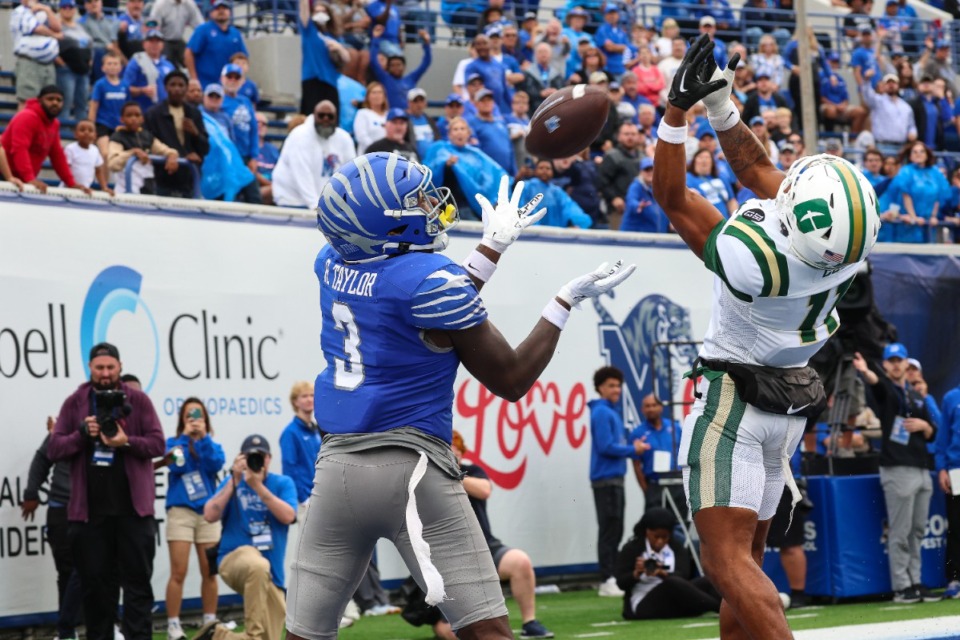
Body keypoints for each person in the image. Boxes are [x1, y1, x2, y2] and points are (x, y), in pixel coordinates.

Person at [283, 156, 635, 640]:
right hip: (411, 469)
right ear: (385, 221)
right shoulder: (430, 281)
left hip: (336, 470)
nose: (431, 206)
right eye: (417, 201)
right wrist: (563, 301)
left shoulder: (331, 264)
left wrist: (491, 248)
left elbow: (414, 303)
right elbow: (510, 379)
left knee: (304, 635)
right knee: (486, 631)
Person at [651, 35, 881, 639]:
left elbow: (672, 197)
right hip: (786, 405)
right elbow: (758, 172)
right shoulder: (844, 248)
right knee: (747, 566)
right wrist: (722, 107)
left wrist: (676, 114)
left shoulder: (758, 260)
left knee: (726, 562)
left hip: (732, 398)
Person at [47, 342, 166, 640]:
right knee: (96, 593)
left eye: (110, 367)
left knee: (138, 589)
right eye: (99, 367)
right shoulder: (75, 402)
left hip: (133, 514)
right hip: (89, 517)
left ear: (120, 367)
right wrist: (82, 434)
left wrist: (125, 441)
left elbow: (157, 444)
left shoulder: (138, 401)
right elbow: (55, 448)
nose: (105, 373)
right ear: (90, 368)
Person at [419, 430, 554, 639]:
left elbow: (484, 490)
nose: (451, 455)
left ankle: (530, 622)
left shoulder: (471, 471)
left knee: (520, 562)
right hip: (446, 555)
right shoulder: (426, 478)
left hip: (483, 546)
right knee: (449, 631)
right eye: (445, 452)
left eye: (455, 452)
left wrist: (451, 472)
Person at [852, 345, 939, 604]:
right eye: (892, 361)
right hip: (898, 468)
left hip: (922, 468)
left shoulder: (915, 395)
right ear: (886, 365)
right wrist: (866, 372)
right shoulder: (887, 391)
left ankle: (915, 581)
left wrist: (925, 426)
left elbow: (933, 431)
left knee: (918, 530)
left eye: (900, 360)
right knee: (901, 531)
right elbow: (876, 384)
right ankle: (902, 587)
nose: (897, 365)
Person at [199, 435, 297, 640]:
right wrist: (234, 481)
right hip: (233, 558)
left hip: (272, 576)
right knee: (257, 564)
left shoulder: (282, 483)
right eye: (251, 456)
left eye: (261, 455)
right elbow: (209, 515)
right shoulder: (231, 482)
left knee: (268, 638)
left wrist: (258, 487)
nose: (257, 460)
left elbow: (289, 516)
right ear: (240, 458)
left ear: (269, 458)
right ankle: (252, 634)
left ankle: (216, 636)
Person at [160, 399, 225, 640]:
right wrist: (185, 438)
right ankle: (173, 625)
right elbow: (177, 466)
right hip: (181, 512)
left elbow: (214, 464)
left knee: (210, 571)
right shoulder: (172, 443)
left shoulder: (212, 444)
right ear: (182, 420)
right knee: (179, 571)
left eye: (197, 416)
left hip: (207, 513)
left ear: (206, 419)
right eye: (189, 416)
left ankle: (210, 621)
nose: (194, 420)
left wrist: (203, 438)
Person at [590, 366, 650, 598]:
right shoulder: (603, 413)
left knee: (614, 530)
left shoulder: (609, 412)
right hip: (606, 480)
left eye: (618, 385)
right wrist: (633, 449)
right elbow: (606, 447)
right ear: (600, 388)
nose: (616, 390)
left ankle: (610, 577)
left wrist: (633, 448)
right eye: (611, 385)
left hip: (612, 479)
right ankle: (607, 579)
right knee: (609, 531)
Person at [22, 417, 82, 640]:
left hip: (93, 510)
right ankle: (67, 631)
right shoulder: (64, 428)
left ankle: (107, 624)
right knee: (66, 571)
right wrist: (31, 492)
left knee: (100, 571)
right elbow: (41, 460)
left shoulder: (106, 428)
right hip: (61, 508)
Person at [614, 508, 721, 620]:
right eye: (656, 537)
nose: (660, 541)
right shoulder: (632, 549)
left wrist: (662, 573)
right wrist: (636, 574)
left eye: (664, 537)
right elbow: (621, 583)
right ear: (647, 531)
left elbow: (683, 576)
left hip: (673, 596)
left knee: (708, 580)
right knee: (672, 583)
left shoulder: (676, 548)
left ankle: (726, 606)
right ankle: (716, 607)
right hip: (643, 602)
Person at [1, 85, 86, 194]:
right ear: (39, 100)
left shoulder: (54, 124)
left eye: (59, 100)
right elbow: (19, 149)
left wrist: (71, 183)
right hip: (5, 175)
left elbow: (57, 155)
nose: (55, 103)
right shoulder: (26, 117)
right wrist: (30, 178)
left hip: (21, 180)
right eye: (50, 99)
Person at [271, 100, 357, 208]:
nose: (325, 119)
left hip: (326, 206)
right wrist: (315, 206)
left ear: (336, 118)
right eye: (321, 115)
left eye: (330, 116)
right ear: (314, 115)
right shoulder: (300, 136)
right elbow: (301, 173)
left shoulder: (344, 138)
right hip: (293, 201)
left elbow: (351, 174)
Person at [422, 117, 506, 221]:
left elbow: (495, 173)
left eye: (462, 129)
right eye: (455, 129)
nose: (459, 132)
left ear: (468, 133)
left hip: (472, 207)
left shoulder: (476, 154)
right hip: (449, 206)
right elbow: (429, 173)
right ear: (449, 134)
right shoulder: (440, 149)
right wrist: (445, 165)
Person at [144, 69, 209, 198]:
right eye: (172, 85)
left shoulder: (194, 113)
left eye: (181, 85)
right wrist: (168, 155)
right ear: (165, 88)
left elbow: (205, 148)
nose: (177, 89)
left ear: (186, 89)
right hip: (163, 178)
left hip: (189, 178)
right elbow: (147, 142)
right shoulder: (153, 113)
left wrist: (195, 133)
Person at [629, 393, 684, 519]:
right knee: (656, 525)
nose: (651, 409)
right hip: (654, 484)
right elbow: (636, 465)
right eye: (647, 406)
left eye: (654, 405)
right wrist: (646, 491)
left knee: (680, 525)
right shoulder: (637, 433)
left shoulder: (675, 428)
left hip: (677, 483)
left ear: (661, 407)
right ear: (642, 409)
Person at [108, 101, 180, 195]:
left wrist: (172, 155)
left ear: (142, 119)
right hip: (125, 191)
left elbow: (165, 149)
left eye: (137, 115)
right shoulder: (117, 137)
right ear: (122, 119)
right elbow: (113, 164)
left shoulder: (147, 136)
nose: (134, 118)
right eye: (129, 115)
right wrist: (133, 153)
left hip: (147, 190)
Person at [888, 141, 950, 243]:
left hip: (928, 224)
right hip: (909, 224)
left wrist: (933, 216)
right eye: (915, 152)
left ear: (927, 155)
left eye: (922, 151)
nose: (918, 154)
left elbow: (939, 196)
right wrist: (913, 218)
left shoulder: (935, 172)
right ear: (910, 156)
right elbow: (906, 195)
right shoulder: (906, 171)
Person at [298, 0, 349, 116]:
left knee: (331, 118)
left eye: (323, 11)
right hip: (312, 79)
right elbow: (303, 6)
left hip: (330, 82)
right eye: (316, 11)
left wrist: (339, 48)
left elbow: (347, 59)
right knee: (310, 118)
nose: (320, 14)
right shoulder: (309, 30)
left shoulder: (334, 36)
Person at [185, 0, 248, 91]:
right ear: (211, 13)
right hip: (205, 84)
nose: (221, 11)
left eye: (224, 8)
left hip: (229, 85)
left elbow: (243, 57)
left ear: (229, 12)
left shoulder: (235, 33)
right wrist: (194, 78)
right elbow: (189, 52)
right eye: (218, 9)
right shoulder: (203, 30)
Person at [10, 0, 61, 109]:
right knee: (27, 103)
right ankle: (23, 126)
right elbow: (37, 28)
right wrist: (55, 35)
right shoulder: (19, 11)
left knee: (48, 104)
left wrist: (47, 9)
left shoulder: (43, 10)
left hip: (48, 65)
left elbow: (57, 27)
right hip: (29, 63)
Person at [370, 24, 432, 111]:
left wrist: (427, 43)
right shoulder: (385, 79)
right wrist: (376, 39)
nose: (396, 67)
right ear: (388, 68)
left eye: (399, 65)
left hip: (408, 118)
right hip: (391, 118)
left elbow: (426, 63)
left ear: (404, 66)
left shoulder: (411, 79)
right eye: (392, 65)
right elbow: (373, 61)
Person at [518, 158, 592, 228]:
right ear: (535, 171)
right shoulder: (526, 186)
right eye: (541, 168)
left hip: (553, 235)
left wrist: (576, 223)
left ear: (552, 172)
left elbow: (570, 208)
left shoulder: (557, 191)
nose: (544, 171)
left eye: (548, 168)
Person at [937, 381, 960, 599]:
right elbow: (943, 437)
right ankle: (955, 579)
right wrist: (941, 468)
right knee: (956, 526)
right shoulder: (951, 397)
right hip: (957, 470)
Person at [55, 0, 93, 122]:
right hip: (67, 70)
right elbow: (51, 45)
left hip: (83, 70)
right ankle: (62, 135)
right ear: (60, 9)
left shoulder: (80, 27)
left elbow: (90, 44)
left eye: (70, 7)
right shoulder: (56, 26)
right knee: (65, 103)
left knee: (82, 103)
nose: (67, 9)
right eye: (64, 7)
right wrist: (61, 63)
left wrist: (90, 61)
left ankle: (81, 135)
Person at [123, 29, 175, 114]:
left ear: (162, 45)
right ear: (144, 44)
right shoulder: (137, 62)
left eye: (157, 42)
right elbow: (125, 87)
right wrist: (142, 90)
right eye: (151, 41)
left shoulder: (168, 65)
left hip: (164, 111)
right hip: (143, 111)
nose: (154, 45)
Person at [89, 51, 129, 158]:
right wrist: (91, 127)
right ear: (103, 67)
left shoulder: (125, 85)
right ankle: (104, 175)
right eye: (109, 64)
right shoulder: (100, 84)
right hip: (103, 124)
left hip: (120, 126)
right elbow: (93, 107)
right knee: (105, 153)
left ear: (120, 68)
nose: (112, 66)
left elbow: (128, 108)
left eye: (115, 64)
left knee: (118, 155)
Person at [147, 0, 203, 68]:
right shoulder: (160, 4)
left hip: (178, 40)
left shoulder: (189, 4)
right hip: (163, 40)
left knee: (192, 59)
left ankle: (193, 77)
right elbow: (153, 28)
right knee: (168, 65)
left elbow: (200, 26)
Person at [64, 120, 111, 193]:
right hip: (68, 189)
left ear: (95, 135)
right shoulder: (70, 148)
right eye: (82, 130)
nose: (86, 132)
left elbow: (98, 171)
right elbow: (66, 169)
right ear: (75, 134)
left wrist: (104, 187)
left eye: (90, 130)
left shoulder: (95, 150)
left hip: (85, 190)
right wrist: (73, 184)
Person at [622, 158, 668, 233]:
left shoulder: (658, 188)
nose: (650, 172)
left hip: (654, 236)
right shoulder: (636, 186)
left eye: (652, 170)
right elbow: (631, 201)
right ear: (641, 172)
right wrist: (638, 206)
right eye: (647, 170)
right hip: (635, 238)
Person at [354, 81, 390, 155]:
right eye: (374, 92)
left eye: (380, 92)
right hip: (368, 156)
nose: (377, 95)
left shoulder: (389, 115)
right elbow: (361, 136)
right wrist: (376, 149)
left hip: (388, 156)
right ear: (367, 97)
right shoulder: (362, 113)